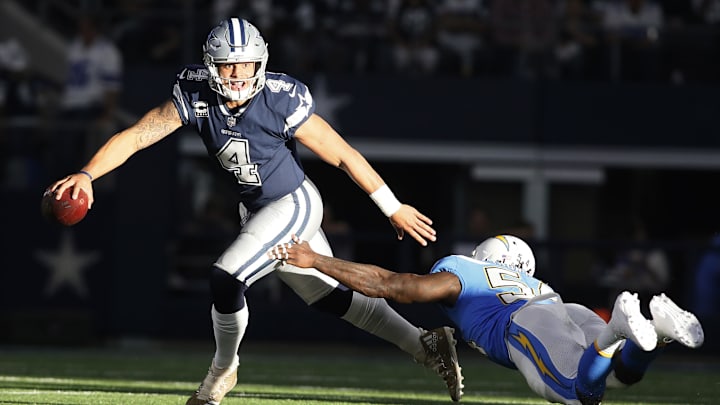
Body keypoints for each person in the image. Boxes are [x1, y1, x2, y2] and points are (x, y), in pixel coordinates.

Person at [46, 17, 463, 405]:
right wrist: (87, 174)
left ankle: (221, 373)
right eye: (228, 67)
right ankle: (425, 345)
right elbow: (137, 136)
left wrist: (392, 207)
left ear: (260, 63)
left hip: (293, 202)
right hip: (258, 210)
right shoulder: (194, 93)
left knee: (226, 277)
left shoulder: (280, 99)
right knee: (333, 298)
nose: (238, 75)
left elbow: (343, 156)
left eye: (246, 65)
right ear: (211, 67)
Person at [268, 234, 705, 405]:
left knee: (579, 396)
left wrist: (315, 259)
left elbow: (392, 285)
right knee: (620, 378)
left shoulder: (465, 272)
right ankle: (657, 336)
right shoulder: (530, 281)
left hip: (526, 323)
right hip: (566, 309)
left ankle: (616, 330)